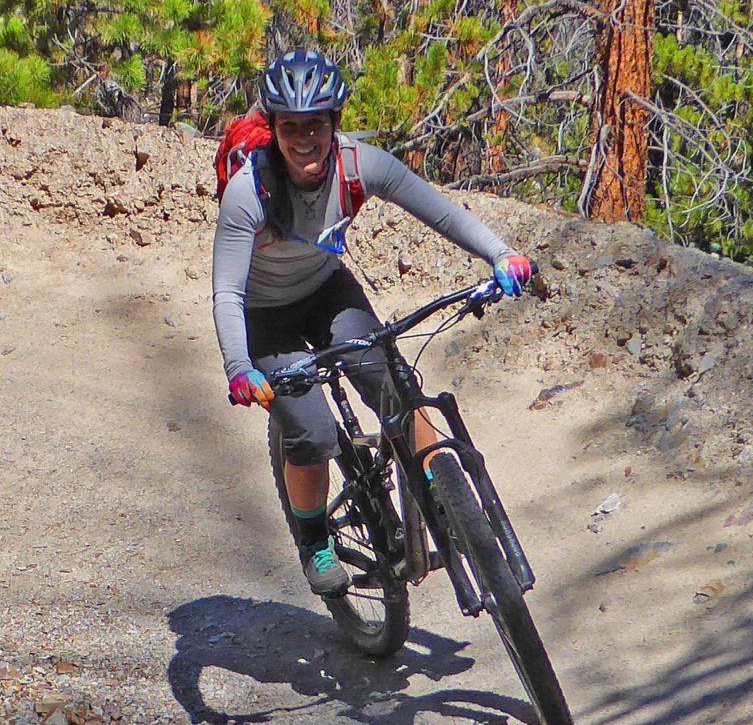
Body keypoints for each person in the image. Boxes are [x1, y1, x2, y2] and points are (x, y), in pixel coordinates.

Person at [212, 49, 534, 596]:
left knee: (393, 385)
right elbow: (227, 291)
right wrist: (240, 366)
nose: (304, 138)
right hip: (265, 317)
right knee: (311, 433)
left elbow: (441, 211)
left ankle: (442, 492)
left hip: (326, 292)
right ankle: (314, 540)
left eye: (315, 124)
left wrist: (501, 255)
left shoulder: (360, 164)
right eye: (290, 126)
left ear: (334, 122)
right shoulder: (250, 191)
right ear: (275, 128)